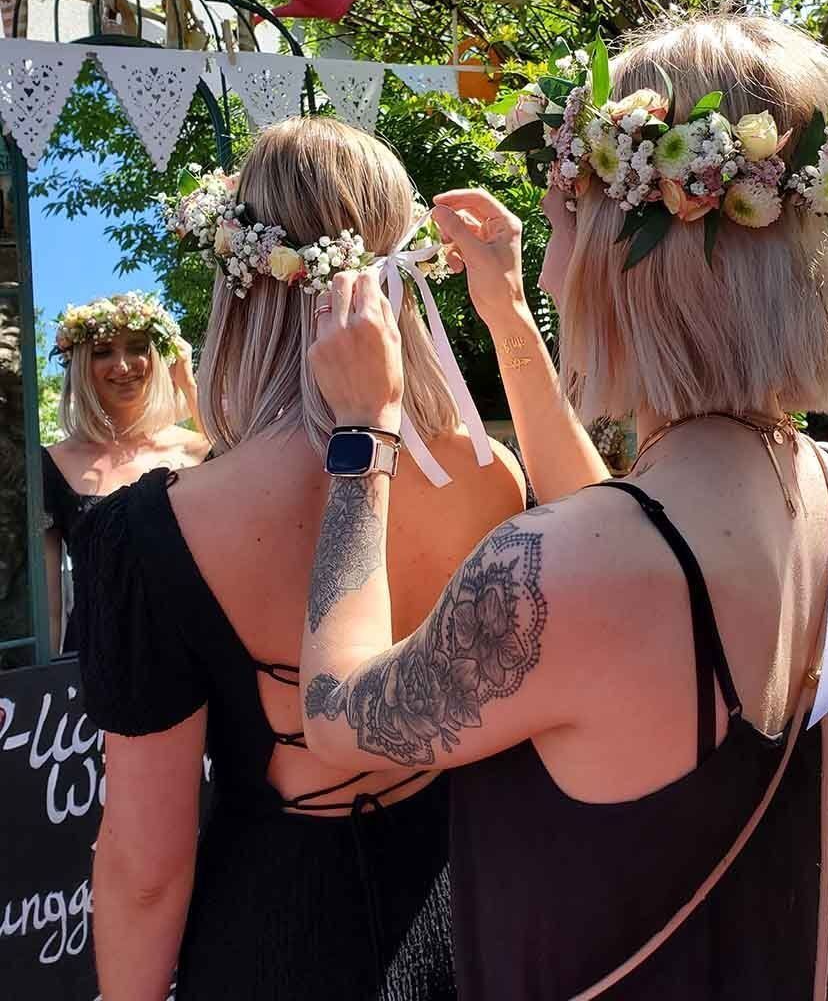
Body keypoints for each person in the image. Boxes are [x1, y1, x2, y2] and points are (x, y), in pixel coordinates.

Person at [297, 9, 828, 1000]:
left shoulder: (575, 571)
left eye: (565, 230)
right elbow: (629, 532)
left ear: (634, 256)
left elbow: (341, 717)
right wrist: (509, 317)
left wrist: (362, 439)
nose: (555, 268)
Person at [71, 119, 526, 1001]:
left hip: (274, 933)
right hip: (468, 906)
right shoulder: (490, 476)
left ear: (242, 280)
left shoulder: (151, 531)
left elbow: (145, 866)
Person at [43, 291, 207, 652]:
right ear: (81, 364)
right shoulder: (51, 463)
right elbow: (50, 609)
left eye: (137, 347)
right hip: (98, 665)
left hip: (199, 658)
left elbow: (244, 485)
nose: (122, 365)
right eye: (103, 351)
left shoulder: (197, 449)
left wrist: (189, 382)